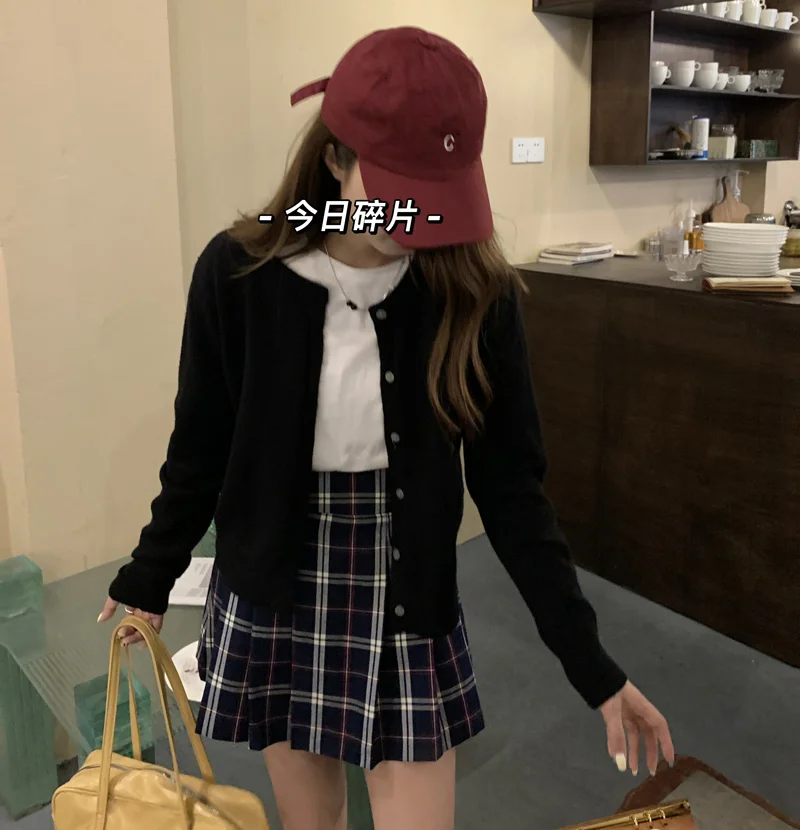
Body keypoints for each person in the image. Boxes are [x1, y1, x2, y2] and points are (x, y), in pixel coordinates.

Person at [98, 25, 674, 830]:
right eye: (400, 188)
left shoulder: (475, 292)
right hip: (276, 582)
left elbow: (512, 490)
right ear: (336, 157)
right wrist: (150, 574)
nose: (419, 220)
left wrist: (594, 667)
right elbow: (201, 445)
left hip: (406, 590)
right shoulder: (238, 274)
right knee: (313, 822)